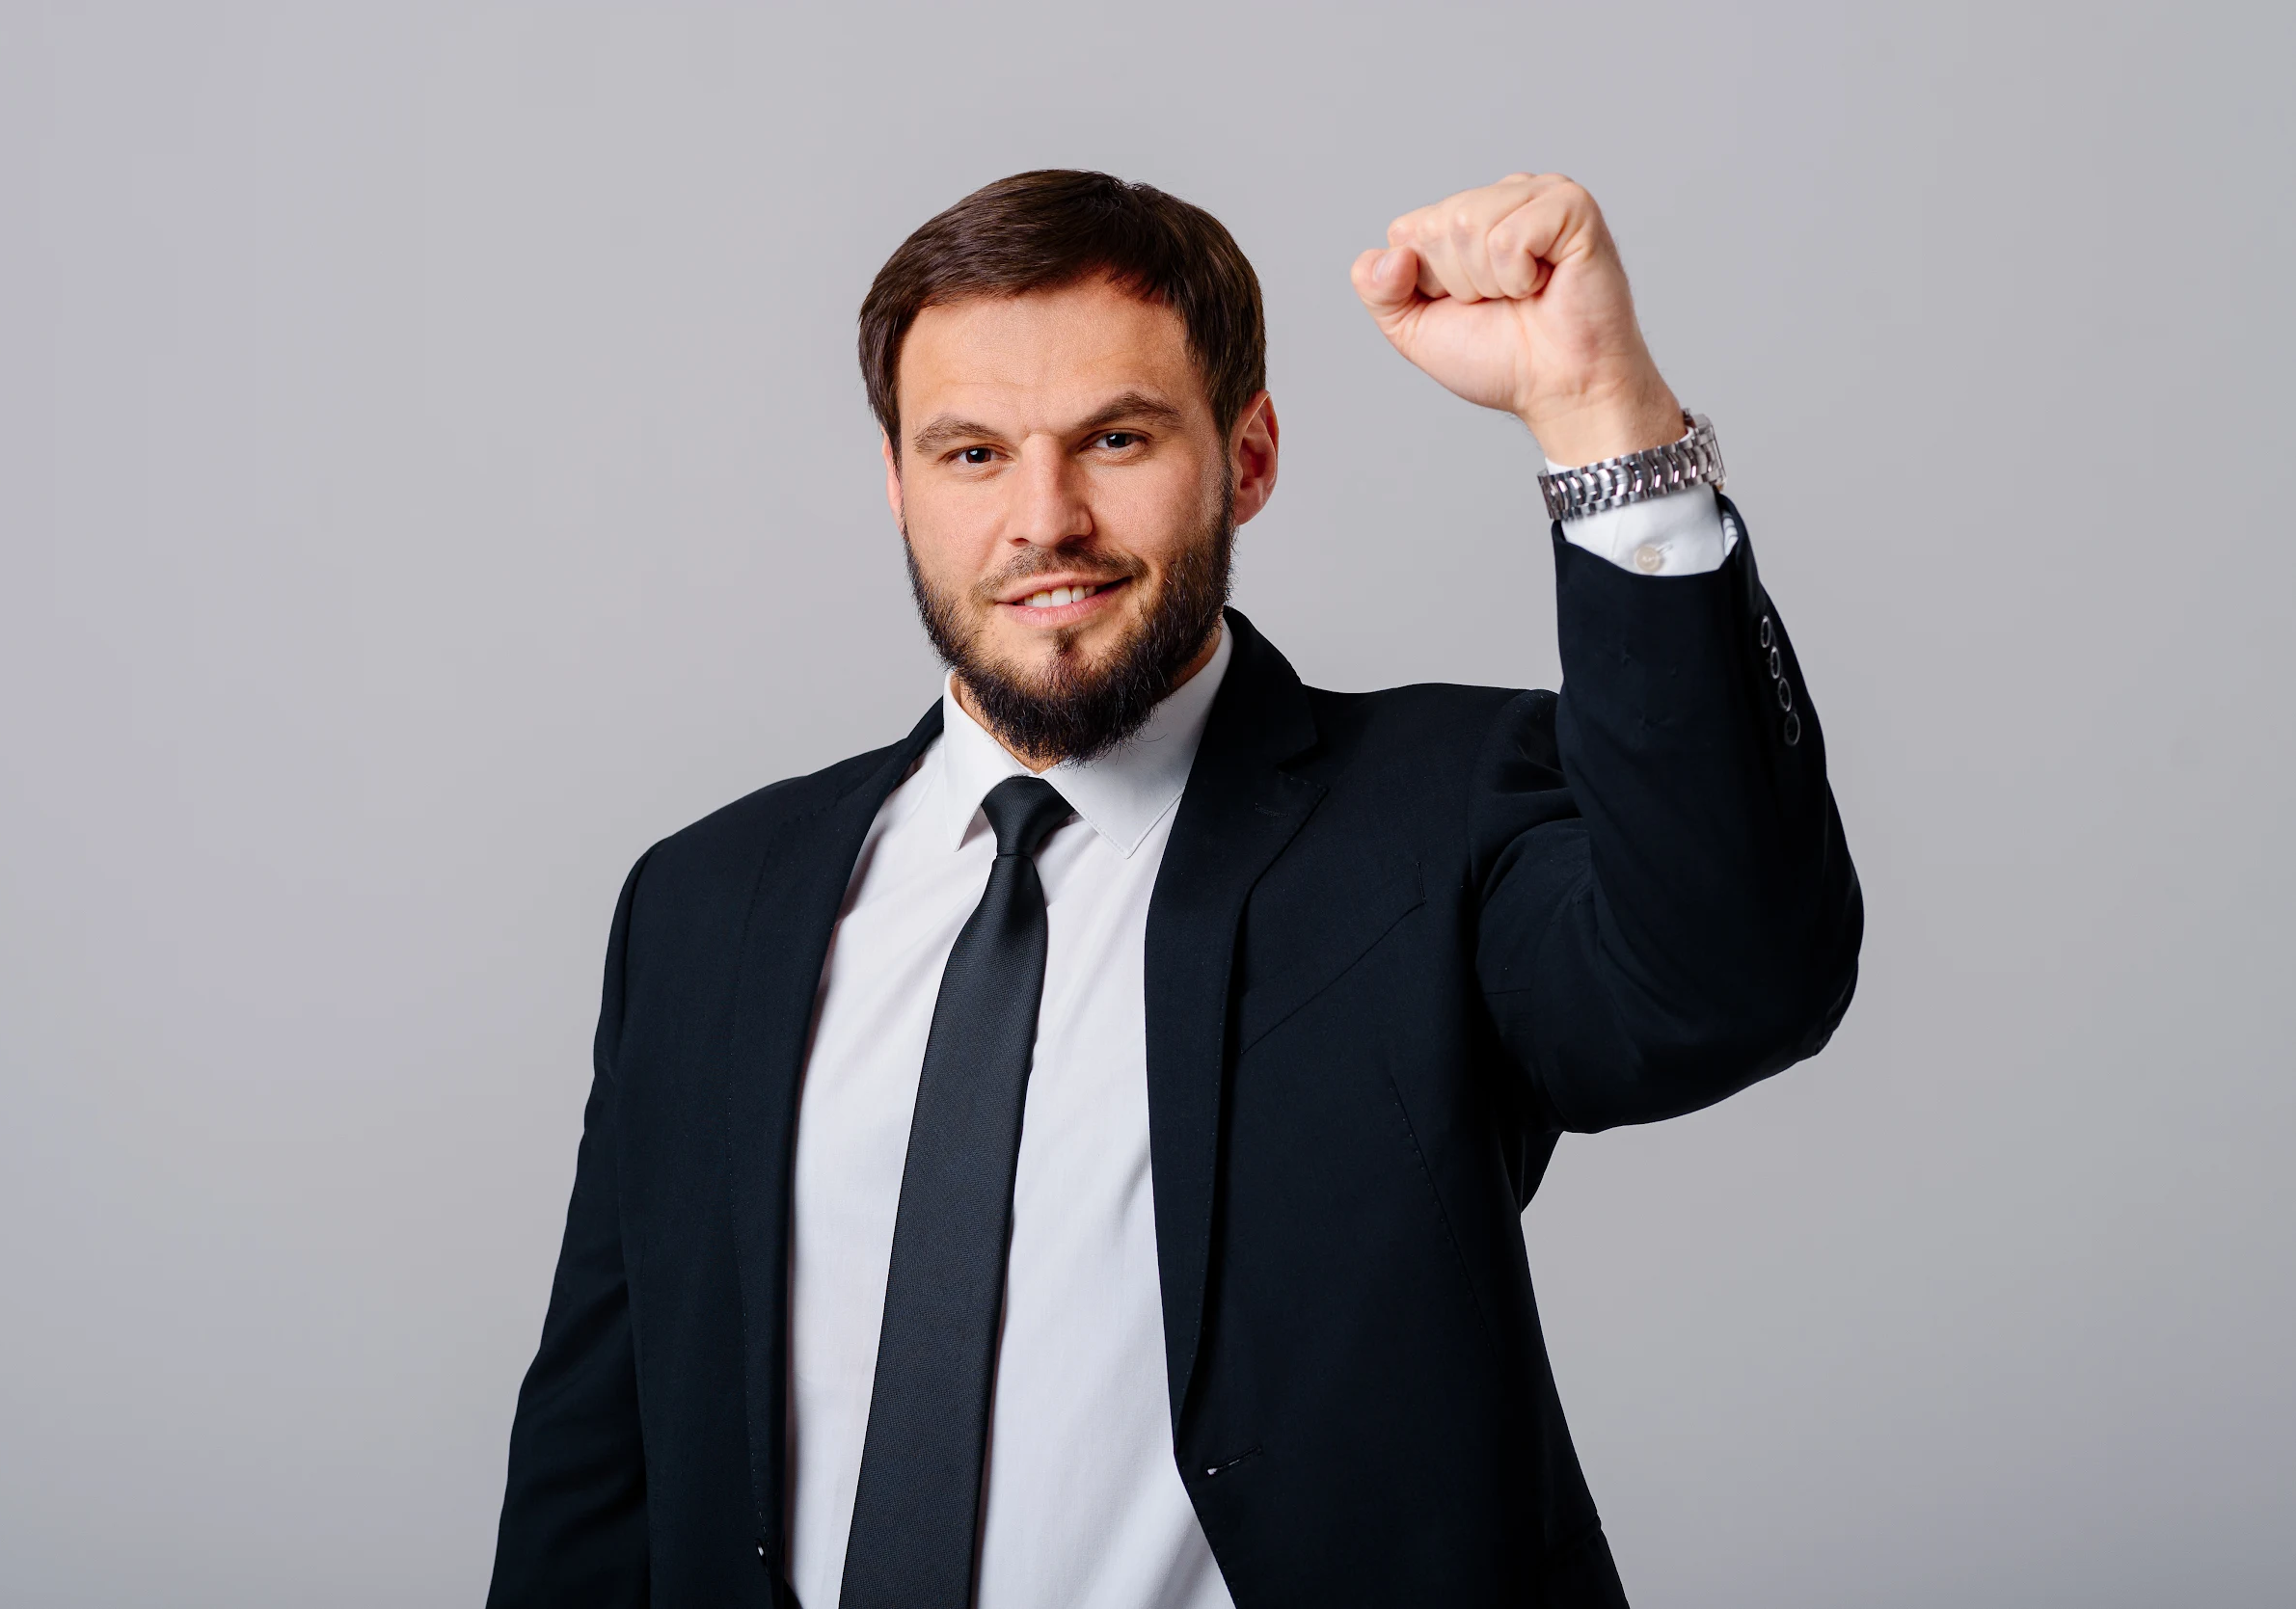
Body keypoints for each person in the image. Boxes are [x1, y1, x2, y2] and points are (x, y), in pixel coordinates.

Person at [486, 169, 1862, 1609]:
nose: (1047, 519)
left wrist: (1599, 415)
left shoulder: (1435, 813)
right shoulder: (706, 903)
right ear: (895, 485)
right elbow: (603, 1457)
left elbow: (1731, 977)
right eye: (970, 456)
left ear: (1246, 457)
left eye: (1117, 438)